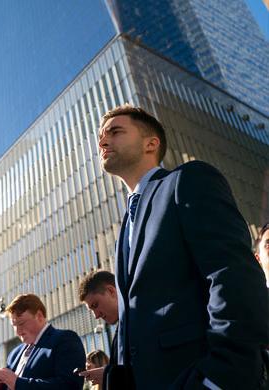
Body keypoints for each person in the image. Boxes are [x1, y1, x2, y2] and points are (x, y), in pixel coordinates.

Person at [97, 104, 269, 389]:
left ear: (151, 143)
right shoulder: (127, 224)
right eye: (100, 137)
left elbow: (230, 273)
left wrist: (220, 376)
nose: (103, 141)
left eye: (115, 132)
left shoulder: (187, 180)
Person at [0, 294, 86, 390]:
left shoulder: (65, 340)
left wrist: (17, 383)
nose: (17, 332)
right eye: (14, 325)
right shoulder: (14, 354)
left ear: (39, 316)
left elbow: (69, 386)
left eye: (21, 323)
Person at [77, 271, 118, 387]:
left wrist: (109, 375)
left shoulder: (139, 321)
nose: (96, 316)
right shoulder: (121, 331)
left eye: (95, 305)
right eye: (91, 310)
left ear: (111, 291)